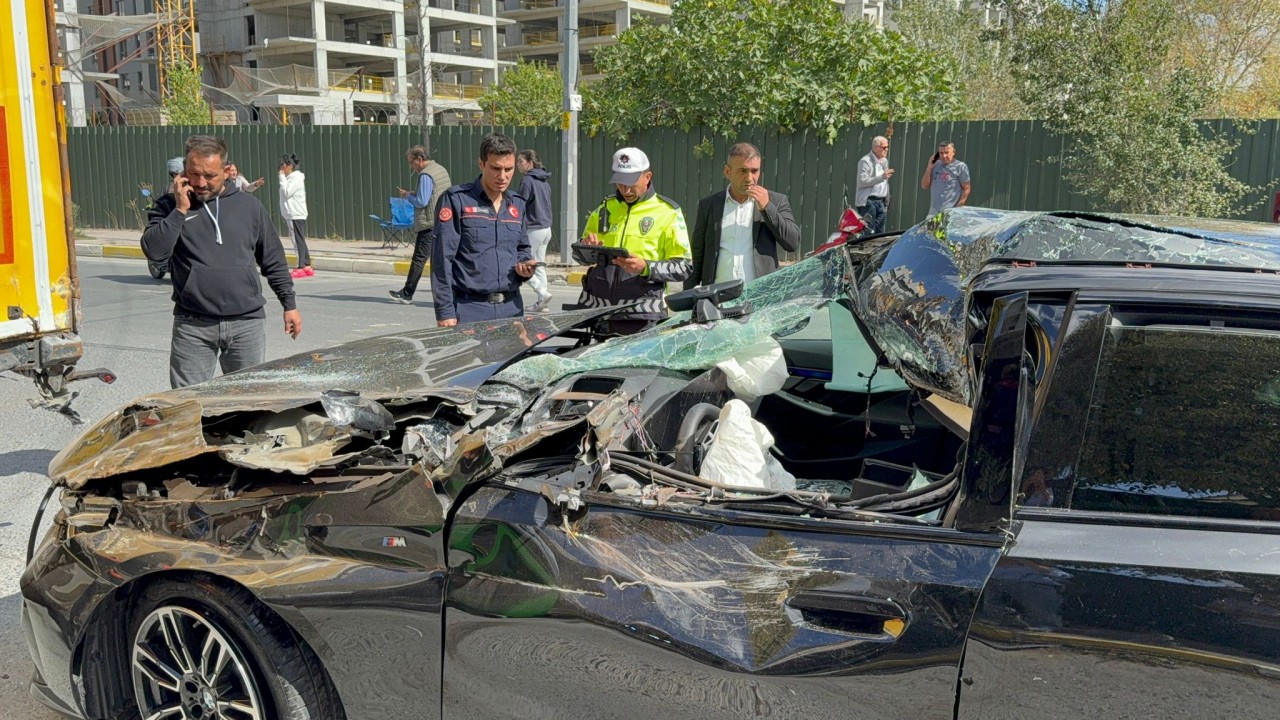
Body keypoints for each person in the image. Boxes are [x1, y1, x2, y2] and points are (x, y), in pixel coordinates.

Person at [141, 134, 302, 389]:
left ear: (227, 171)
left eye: (210, 175)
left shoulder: (250, 207)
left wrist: (289, 304)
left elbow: (272, 259)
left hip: (246, 324)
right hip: (193, 326)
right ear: (184, 171)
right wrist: (180, 210)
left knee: (246, 403)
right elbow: (155, 252)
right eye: (194, 174)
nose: (201, 182)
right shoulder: (169, 206)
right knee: (189, 404)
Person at [577, 147, 691, 335]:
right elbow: (582, 258)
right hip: (599, 313)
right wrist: (586, 248)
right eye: (620, 183)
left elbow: (684, 268)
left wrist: (645, 267)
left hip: (642, 317)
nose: (626, 189)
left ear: (648, 177)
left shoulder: (668, 212)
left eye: (631, 183)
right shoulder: (605, 208)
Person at [431, 132, 538, 326]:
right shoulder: (456, 200)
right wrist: (445, 311)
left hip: (511, 309)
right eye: (495, 168)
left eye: (509, 169)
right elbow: (442, 260)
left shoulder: (518, 205)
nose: (503, 176)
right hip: (469, 310)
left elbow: (522, 248)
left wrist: (525, 266)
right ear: (481, 164)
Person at [686, 142, 800, 289]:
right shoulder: (709, 205)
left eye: (754, 171)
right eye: (742, 171)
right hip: (717, 298)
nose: (749, 178)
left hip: (760, 297)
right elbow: (697, 257)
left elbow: (792, 243)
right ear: (728, 172)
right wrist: (687, 301)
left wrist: (767, 208)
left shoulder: (776, 201)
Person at [388, 145, 451, 305]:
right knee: (442, 260)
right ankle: (449, 295)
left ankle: (407, 294)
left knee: (419, 259)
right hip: (444, 220)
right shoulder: (440, 169)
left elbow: (422, 201)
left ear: (419, 159)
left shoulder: (425, 175)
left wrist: (409, 196)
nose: (411, 166)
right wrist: (413, 193)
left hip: (429, 223)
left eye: (411, 162)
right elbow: (436, 193)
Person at [516, 149, 554, 312]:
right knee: (538, 264)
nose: (518, 164)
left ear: (530, 164)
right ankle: (542, 303)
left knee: (521, 262)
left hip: (533, 228)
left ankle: (541, 291)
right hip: (546, 228)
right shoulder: (544, 181)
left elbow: (520, 204)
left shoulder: (527, 180)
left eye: (520, 161)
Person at [278, 153, 312, 278]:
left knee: (296, 240)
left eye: (283, 165)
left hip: (295, 213)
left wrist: (281, 178)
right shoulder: (292, 178)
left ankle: (300, 266)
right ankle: (307, 265)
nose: (281, 168)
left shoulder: (295, 178)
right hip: (293, 213)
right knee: (300, 239)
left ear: (290, 166)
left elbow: (287, 192)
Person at [855, 136, 894, 235]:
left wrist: (887, 200)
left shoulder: (884, 161)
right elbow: (862, 181)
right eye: (884, 147)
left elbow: (885, 182)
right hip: (869, 202)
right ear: (875, 147)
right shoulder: (865, 161)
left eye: (887, 147)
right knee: (868, 233)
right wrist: (882, 177)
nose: (886, 150)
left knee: (880, 234)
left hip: (881, 202)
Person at [921, 140, 971, 217]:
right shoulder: (935, 165)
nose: (944, 156)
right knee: (931, 229)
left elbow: (966, 188)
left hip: (951, 211)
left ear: (953, 152)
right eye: (941, 153)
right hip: (934, 211)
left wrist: (958, 207)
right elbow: (924, 186)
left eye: (946, 152)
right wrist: (929, 168)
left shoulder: (960, 167)